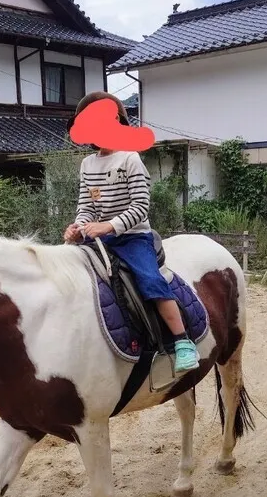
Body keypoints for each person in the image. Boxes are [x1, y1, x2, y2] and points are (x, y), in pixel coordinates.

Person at [64, 91, 199, 374]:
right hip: (99, 238)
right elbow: (86, 205)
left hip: (133, 237)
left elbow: (140, 206)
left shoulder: (130, 159)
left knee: (149, 279)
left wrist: (108, 225)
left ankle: (182, 340)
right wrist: (79, 226)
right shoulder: (87, 164)